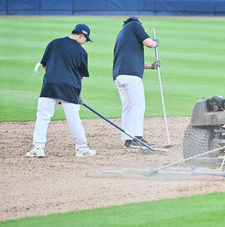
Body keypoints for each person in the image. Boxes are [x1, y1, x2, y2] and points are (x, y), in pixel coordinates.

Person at [26, 24, 96, 158]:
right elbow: (81, 75)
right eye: (86, 40)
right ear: (81, 36)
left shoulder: (54, 43)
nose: (85, 43)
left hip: (50, 85)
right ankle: (82, 149)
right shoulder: (82, 52)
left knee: (42, 117)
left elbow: (45, 65)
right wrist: (78, 93)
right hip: (70, 87)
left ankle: (38, 148)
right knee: (74, 119)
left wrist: (55, 78)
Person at [113, 16, 160, 149]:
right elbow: (150, 43)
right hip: (131, 76)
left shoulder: (121, 36)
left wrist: (151, 66)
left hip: (119, 76)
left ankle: (128, 140)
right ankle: (137, 138)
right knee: (138, 105)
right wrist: (156, 42)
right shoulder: (134, 26)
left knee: (128, 108)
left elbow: (132, 60)